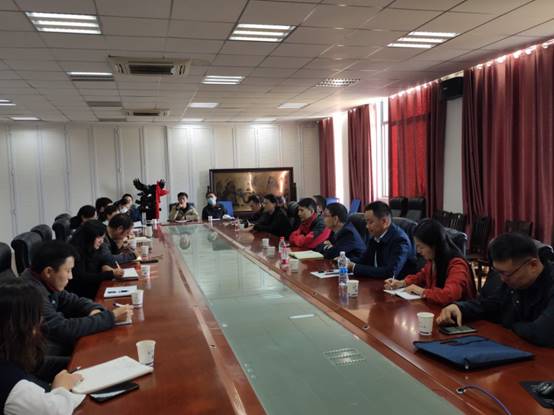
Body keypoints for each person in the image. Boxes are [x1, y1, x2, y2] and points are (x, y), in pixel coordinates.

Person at [437, 233, 554, 347]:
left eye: (506, 274)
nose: (502, 279)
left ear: (533, 265)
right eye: (498, 272)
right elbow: (493, 304)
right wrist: (460, 308)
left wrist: (511, 324)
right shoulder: (514, 282)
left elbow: (541, 333)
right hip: (516, 346)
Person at [20, 241, 132, 358]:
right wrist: (111, 317)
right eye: (68, 271)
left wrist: (93, 310)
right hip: (47, 356)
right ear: (48, 272)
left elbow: (72, 300)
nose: (71, 276)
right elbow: (61, 329)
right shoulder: (31, 294)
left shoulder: (43, 280)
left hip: (57, 348)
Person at [0, 277, 87, 414]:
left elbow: (37, 364)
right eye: (36, 317)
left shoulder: (9, 353)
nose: (40, 321)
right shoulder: (13, 385)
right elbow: (55, 411)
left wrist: (75, 362)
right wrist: (61, 387)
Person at [384, 219, 476, 305]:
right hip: (436, 308)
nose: (418, 251)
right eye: (417, 246)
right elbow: (422, 276)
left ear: (435, 245)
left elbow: (450, 295)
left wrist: (422, 291)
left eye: (421, 247)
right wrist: (402, 283)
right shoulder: (433, 259)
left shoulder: (457, 264)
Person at [348, 201, 416, 279]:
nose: (367, 226)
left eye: (370, 222)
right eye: (366, 222)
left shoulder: (400, 240)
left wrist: (354, 267)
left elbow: (390, 273)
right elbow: (364, 260)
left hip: (397, 284)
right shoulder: (375, 237)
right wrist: (346, 261)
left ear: (384, 221)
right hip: (376, 282)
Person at [67, 220, 124, 299]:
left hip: (95, 287)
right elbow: (83, 278)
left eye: (103, 237)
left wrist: (104, 265)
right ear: (89, 237)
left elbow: (102, 258)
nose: (102, 241)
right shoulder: (75, 252)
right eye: (99, 237)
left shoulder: (91, 246)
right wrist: (111, 274)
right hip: (82, 294)